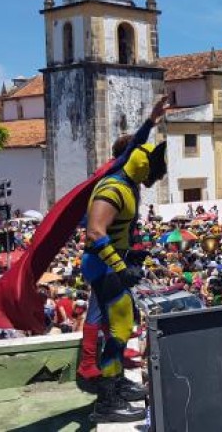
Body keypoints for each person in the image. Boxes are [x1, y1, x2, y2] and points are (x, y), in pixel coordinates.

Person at [81, 96, 168, 423]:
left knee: (123, 322)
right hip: (104, 265)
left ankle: (116, 385)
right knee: (117, 329)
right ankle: (108, 401)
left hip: (111, 263)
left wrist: (151, 120)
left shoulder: (126, 176)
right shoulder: (114, 188)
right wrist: (122, 267)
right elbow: (95, 231)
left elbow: (136, 147)